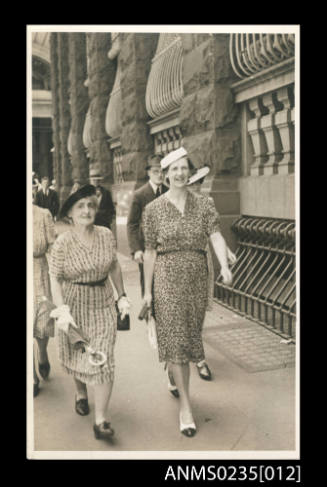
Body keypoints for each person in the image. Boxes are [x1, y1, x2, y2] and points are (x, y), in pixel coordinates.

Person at [142, 147, 233, 437]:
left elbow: (215, 234)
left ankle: (172, 369)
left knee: (188, 335)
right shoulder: (153, 210)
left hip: (196, 277)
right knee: (178, 339)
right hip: (166, 276)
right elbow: (149, 252)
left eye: (184, 168)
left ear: (188, 172)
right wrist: (147, 292)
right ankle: (186, 407)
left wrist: (225, 267)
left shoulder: (204, 204)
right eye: (174, 169)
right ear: (165, 174)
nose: (180, 173)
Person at [48, 184, 131, 441]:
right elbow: (55, 277)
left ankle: (101, 420)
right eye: (80, 206)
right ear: (70, 213)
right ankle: (81, 392)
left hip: (103, 302)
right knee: (79, 353)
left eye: (91, 206)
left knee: (103, 358)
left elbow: (114, 266)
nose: (87, 210)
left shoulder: (106, 235)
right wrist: (62, 310)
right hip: (74, 304)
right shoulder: (63, 242)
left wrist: (123, 297)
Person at [187, 165, 237, 381]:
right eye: (193, 183)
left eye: (200, 182)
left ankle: (198, 356)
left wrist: (225, 255)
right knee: (182, 312)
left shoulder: (207, 203)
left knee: (198, 311)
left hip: (202, 262)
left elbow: (214, 232)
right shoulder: (169, 204)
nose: (198, 186)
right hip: (176, 265)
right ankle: (186, 356)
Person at [127, 154, 168, 297]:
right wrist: (136, 249)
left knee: (166, 286)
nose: (160, 175)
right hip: (146, 249)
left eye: (162, 171)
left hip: (166, 249)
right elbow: (132, 224)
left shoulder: (169, 192)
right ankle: (149, 316)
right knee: (148, 286)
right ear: (149, 172)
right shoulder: (140, 194)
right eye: (156, 171)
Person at [32, 183, 57, 397]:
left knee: (42, 321)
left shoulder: (43, 215)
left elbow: (52, 246)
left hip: (39, 272)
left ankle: (41, 352)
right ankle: (30, 375)